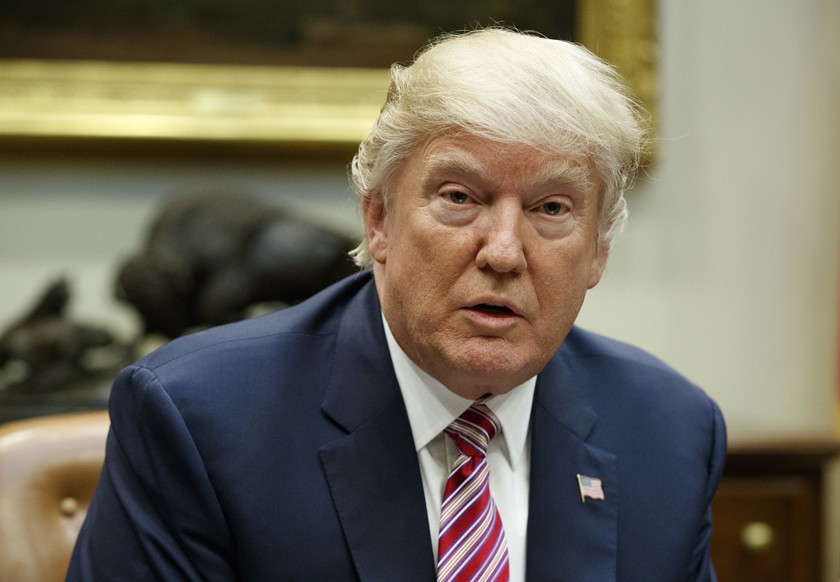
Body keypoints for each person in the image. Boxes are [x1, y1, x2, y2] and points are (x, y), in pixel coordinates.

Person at [67, 27, 726, 581]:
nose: (502, 251)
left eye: (551, 208)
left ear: (598, 250)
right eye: (459, 198)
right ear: (377, 219)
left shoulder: (667, 434)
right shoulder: (200, 423)